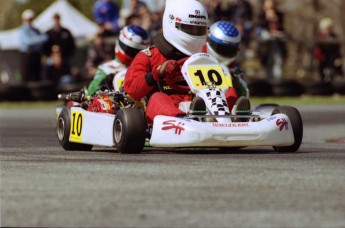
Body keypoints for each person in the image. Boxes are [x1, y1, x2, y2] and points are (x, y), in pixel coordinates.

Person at [124, 0, 249, 124]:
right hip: (167, 109)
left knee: (229, 91)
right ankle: (183, 120)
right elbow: (131, 89)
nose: (195, 34)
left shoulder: (202, 56)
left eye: (199, 30)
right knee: (157, 98)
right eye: (190, 28)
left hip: (200, 103)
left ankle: (230, 118)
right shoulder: (149, 56)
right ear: (173, 24)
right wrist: (156, 74)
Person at [87, 25, 150, 96]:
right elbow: (90, 93)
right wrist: (104, 83)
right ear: (120, 43)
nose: (134, 54)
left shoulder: (147, 68)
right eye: (130, 50)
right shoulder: (107, 69)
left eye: (137, 52)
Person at [204, 21, 250, 113]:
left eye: (229, 50)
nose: (225, 53)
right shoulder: (197, 57)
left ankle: (235, 111)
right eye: (221, 48)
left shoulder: (235, 70)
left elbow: (245, 94)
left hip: (229, 108)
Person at [256, 0, 287, 80]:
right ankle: (268, 80)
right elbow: (259, 29)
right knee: (268, 62)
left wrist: (277, 30)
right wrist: (267, 18)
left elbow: (282, 30)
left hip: (277, 42)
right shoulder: (261, 15)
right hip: (266, 44)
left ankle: (277, 80)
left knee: (277, 62)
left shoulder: (279, 15)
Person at [43, 13, 76, 81]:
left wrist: (66, 55)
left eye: (57, 19)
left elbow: (71, 45)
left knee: (66, 77)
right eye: (55, 19)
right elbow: (44, 46)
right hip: (52, 59)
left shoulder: (66, 32)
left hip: (64, 58)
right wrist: (51, 55)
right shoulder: (48, 33)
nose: (56, 21)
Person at [18, 9, 48, 82]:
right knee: (26, 77)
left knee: (36, 77)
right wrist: (40, 39)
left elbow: (43, 39)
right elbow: (28, 41)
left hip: (35, 56)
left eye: (31, 19)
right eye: (28, 19)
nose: (30, 21)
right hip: (27, 55)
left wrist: (38, 39)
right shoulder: (23, 29)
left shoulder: (35, 30)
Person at [313, 17, 343, 81]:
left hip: (332, 58)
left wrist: (338, 58)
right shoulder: (319, 36)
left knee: (335, 72)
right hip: (322, 58)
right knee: (322, 74)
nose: (329, 29)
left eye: (330, 27)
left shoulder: (334, 36)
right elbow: (317, 49)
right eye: (328, 28)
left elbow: (337, 49)